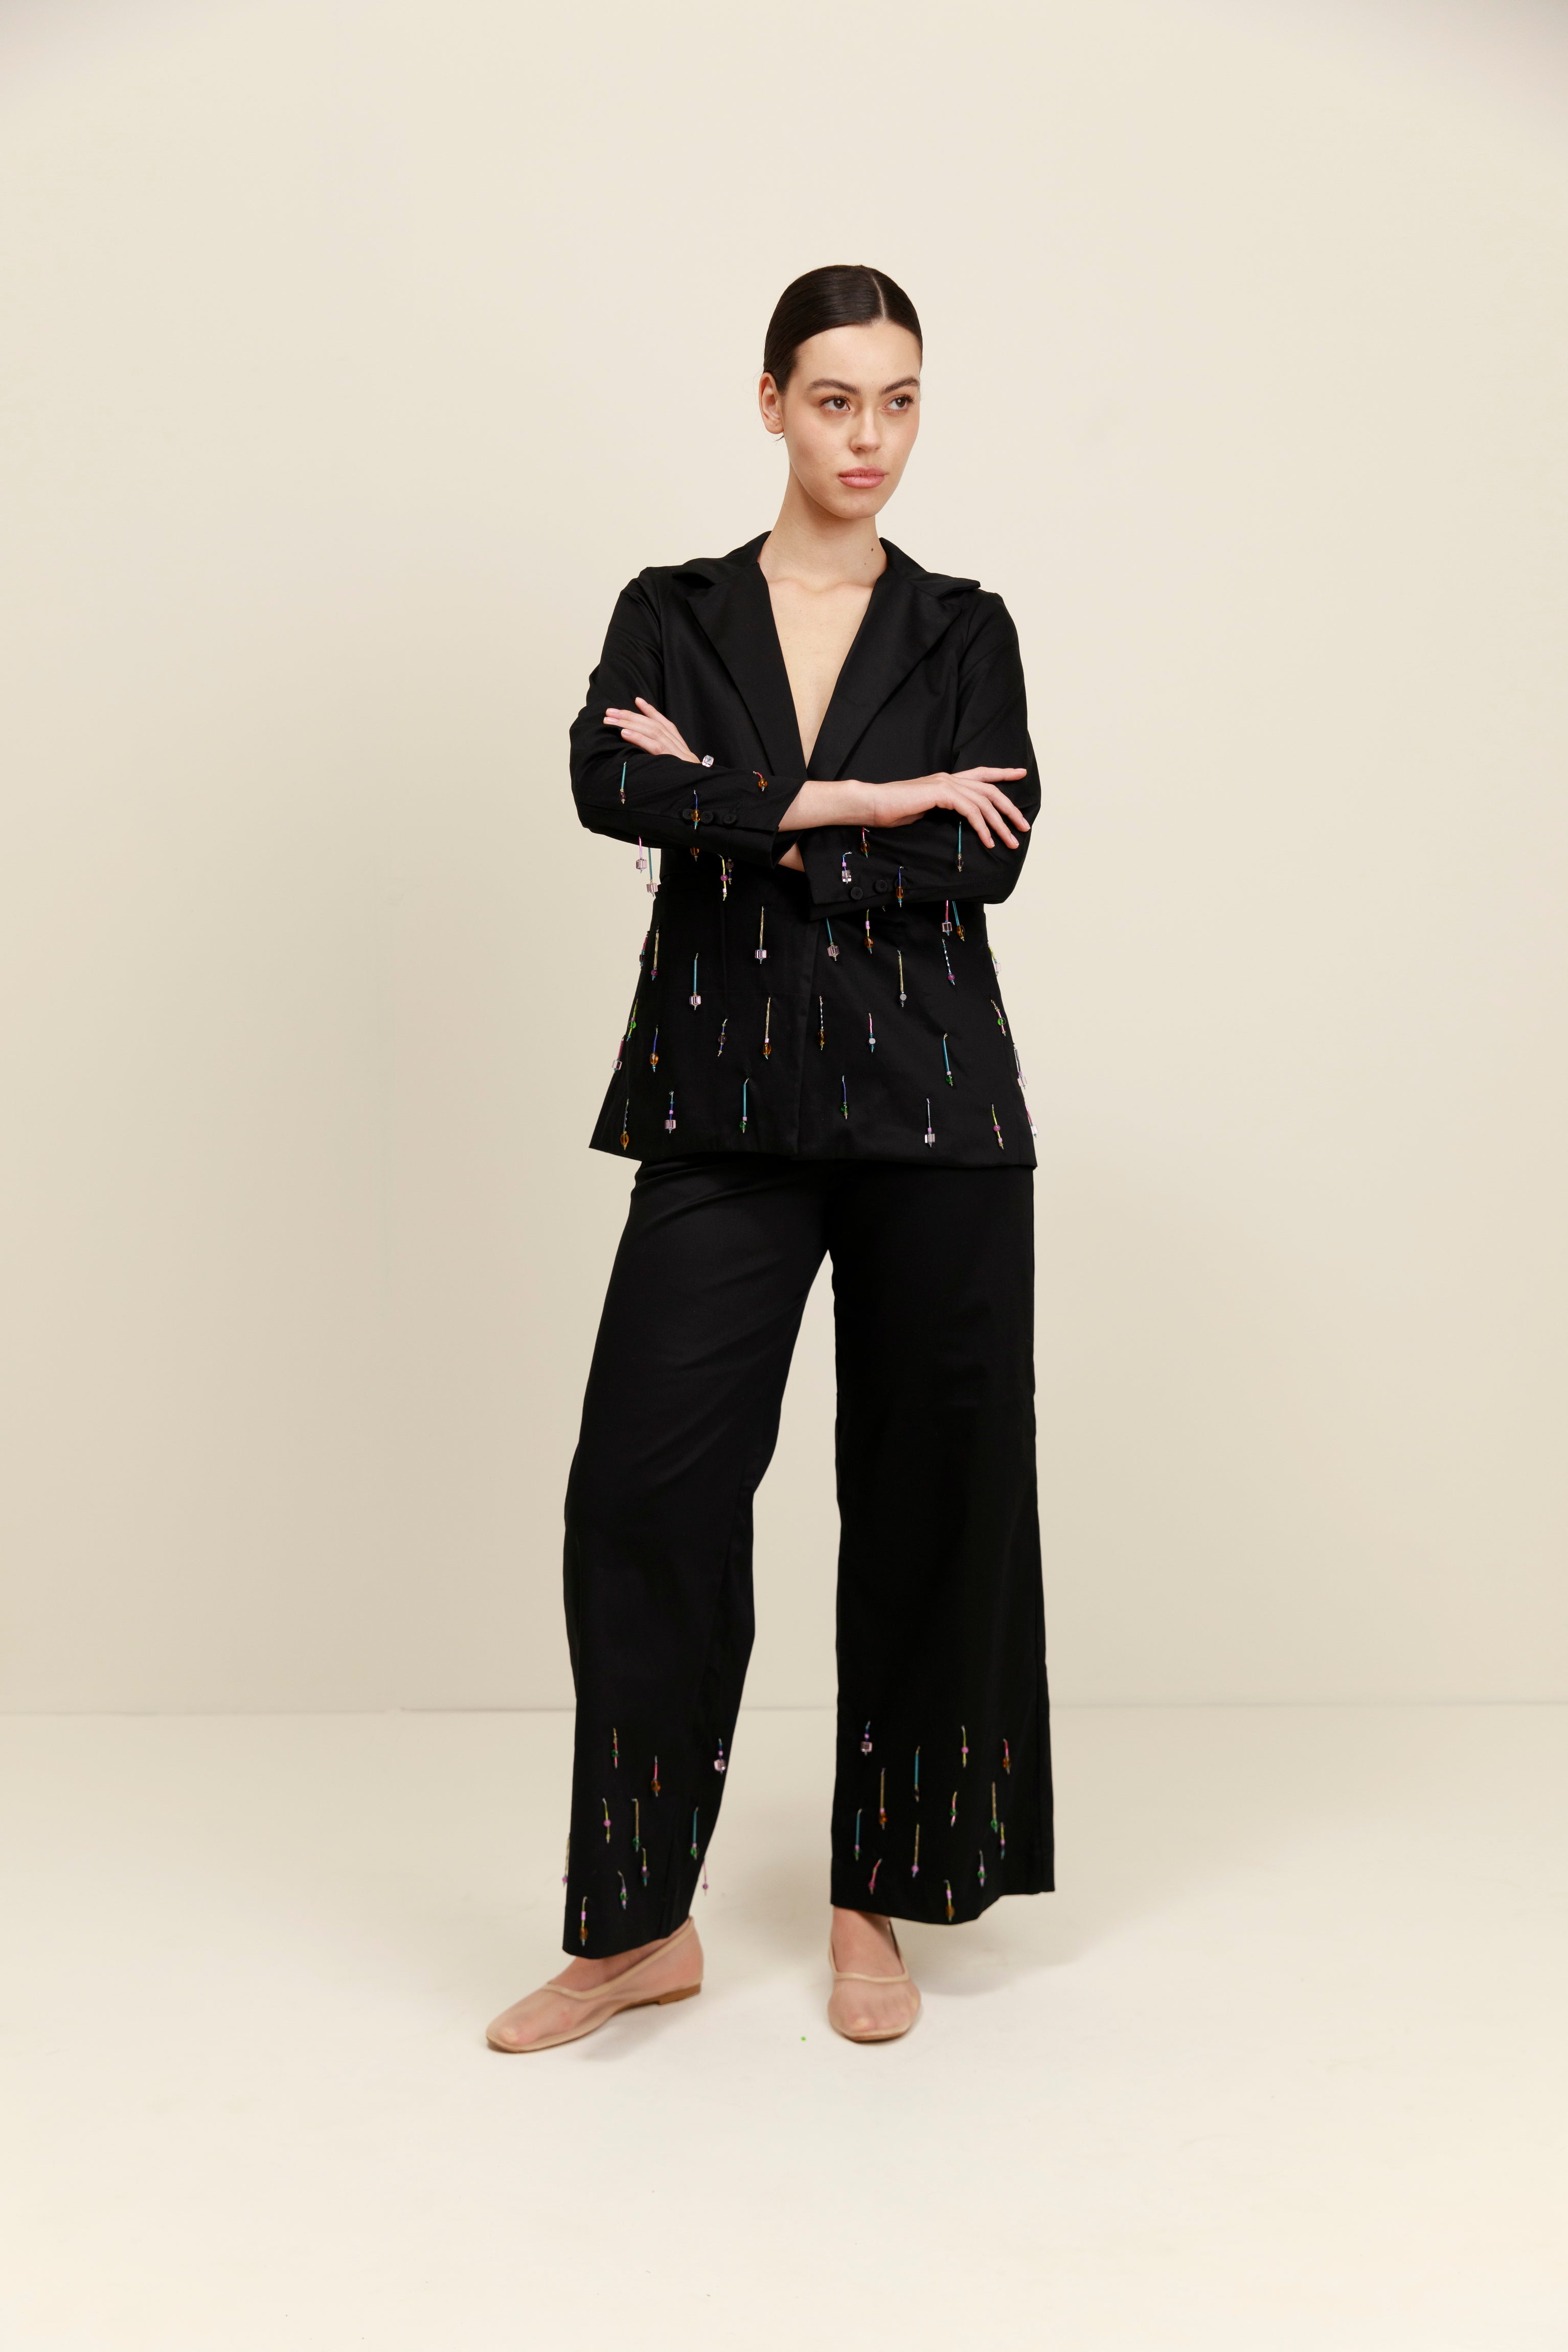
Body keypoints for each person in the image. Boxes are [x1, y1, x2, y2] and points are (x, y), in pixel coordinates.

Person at [487, 263, 1052, 2052]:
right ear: (769, 402)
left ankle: (876, 1897)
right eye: (833, 399)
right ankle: (635, 1924)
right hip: (716, 1105)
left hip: (932, 1109)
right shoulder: (672, 610)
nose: (867, 436)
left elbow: (989, 850)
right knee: (641, 1494)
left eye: (898, 400)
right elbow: (606, 784)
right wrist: (867, 800)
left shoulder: (962, 628)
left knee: (928, 1501)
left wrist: (735, 808)